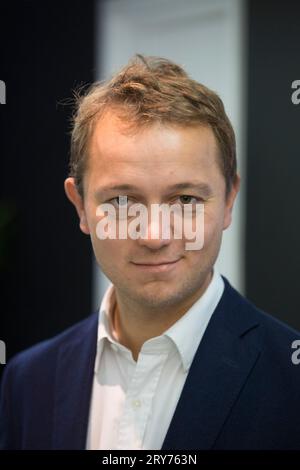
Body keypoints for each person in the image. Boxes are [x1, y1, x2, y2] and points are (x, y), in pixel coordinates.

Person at [1, 54, 300, 450]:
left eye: (186, 199)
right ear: (80, 206)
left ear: (229, 200)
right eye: (123, 201)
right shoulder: (27, 381)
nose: (155, 234)